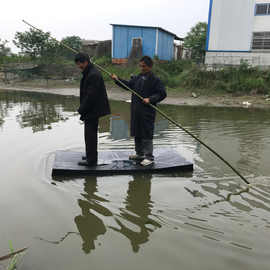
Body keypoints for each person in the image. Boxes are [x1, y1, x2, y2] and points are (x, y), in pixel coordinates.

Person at [111, 56, 167, 166]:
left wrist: (150, 99)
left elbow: (162, 94)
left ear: (150, 67)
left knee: (146, 134)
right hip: (136, 110)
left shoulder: (155, 80)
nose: (141, 68)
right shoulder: (137, 78)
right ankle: (139, 154)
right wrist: (117, 80)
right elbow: (128, 86)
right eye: (140, 66)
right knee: (137, 132)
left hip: (147, 112)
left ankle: (149, 157)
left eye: (144, 66)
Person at [75, 53, 111, 166]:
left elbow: (91, 96)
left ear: (85, 62)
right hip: (92, 109)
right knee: (90, 134)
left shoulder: (93, 74)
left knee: (90, 135)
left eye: (79, 64)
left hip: (93, 110)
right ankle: (90, 154)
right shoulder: (90, 72)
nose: (78, 66)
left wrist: (81, 109)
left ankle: (91, 160)